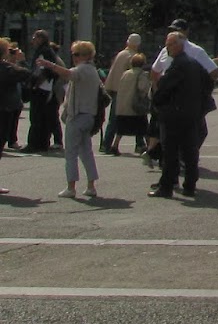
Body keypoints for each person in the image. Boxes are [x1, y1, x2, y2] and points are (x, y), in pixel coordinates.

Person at [39, 41, 103, 200]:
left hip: (78, 115)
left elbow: (69, 74)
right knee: (86, 151)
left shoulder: (83, 69)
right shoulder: (93, 70)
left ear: (87, 55)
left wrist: (49, 64)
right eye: (74, 54)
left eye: (78, 54)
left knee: (71, 153)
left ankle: (71, 187)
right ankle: (91, 186)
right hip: (89, 115)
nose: (74, 57)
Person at [149, 31, 207, 198]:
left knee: (171, 152)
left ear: (178, 45)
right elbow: (207, 84)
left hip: (174, 115)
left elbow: (165, 87)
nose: (167, 48)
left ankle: (166, 187)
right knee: (190, 150)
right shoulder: (195, 64)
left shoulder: (177, 65)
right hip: (191, 114)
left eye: (169, 44)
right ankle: (190, 185)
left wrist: (157, 102)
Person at [99, 33, 141, 154]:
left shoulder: (121, 54)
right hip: (126, 91)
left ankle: (107, 144)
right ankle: (139, 144)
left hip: (114, 88)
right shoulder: (133, 57)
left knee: (115, 118)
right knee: (134, 117)